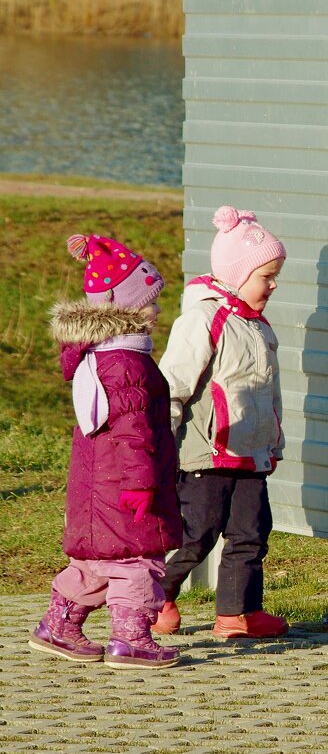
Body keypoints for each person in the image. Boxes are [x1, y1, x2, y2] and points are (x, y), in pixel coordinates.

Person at [29, 234, 182, 669]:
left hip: (95, 486)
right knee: (137, 559)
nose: (157, 310)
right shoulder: (129, 363)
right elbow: (134, 432)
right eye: (151, 301)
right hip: (124, 485)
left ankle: (58, 625)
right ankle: (132, 639)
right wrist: (142, 484)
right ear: (124, 306)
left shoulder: (98, 355)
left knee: (96, 561)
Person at [153, 206, 289, 639]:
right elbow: (172, 384)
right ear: (236, 274)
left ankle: (236, 613)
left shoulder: (260, 328)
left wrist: (274, 444)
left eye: (274, 275)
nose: (273, 284)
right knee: (198, 534)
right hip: (205, 453)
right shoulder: (203, 320)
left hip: (251, 454)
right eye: (265, 276)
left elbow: (270, 393)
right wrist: (161, 441)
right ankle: (156, 594)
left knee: (251, 534)